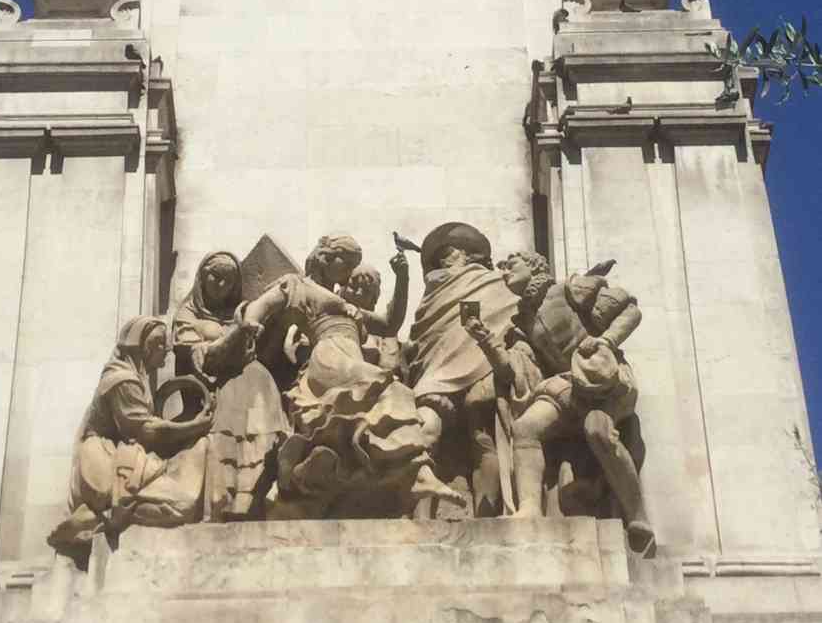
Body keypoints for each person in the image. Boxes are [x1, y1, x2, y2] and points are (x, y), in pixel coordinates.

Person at [244, 233, 464, 517]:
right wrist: (250, 323)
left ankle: (416, 471)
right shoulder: (299, 285)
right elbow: (261, 305)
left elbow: (389, 323)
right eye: (346, 262)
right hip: (330, 356)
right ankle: (417, 473)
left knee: (392, 395)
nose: (349, 271)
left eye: (353, 264)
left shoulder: (343, 301)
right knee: (390, 389)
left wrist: (402, 276)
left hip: (351, 358)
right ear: (325, 256)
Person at [464, 252, 654, 555]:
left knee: (598, 432)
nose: (503, 273)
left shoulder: (570, 289)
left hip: (605, 381)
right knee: (526, 428)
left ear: (535, 265)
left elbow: (630, 311)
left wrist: (606, 340)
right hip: (569, 383)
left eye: (510, 265)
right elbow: (512, 368)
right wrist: (485, 339)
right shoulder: (522, 320)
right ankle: (529, 509)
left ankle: (637, 516)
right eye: (501, 268)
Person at [48, 317, 212, 555]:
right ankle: (101, 517)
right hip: (104, 460)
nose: (167, 352)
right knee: (183, 505)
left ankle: (103, 514)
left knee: (184, 497)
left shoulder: (135, 377)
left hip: (124, 455)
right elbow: (144, 430)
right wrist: (195, 426)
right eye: (161, 346)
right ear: (146, 346)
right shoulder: (122, 380)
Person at [404, 222, 519, 517]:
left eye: (449, 253)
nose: (443, 260)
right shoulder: (431, 297)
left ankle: (485, 517)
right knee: (424, 431)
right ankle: (419, 523)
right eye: (439, 255)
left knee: (482, 436)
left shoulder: (495, 283)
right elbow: (422, 339)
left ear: (468, 254)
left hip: (483, 366)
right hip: (436, 373)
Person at [172, 250, 289, 521]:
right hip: (216, 387)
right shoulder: (187, 318)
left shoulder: (242, 311)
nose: (220, 285)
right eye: (214, 276)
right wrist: (238, 331)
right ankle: (226, 499)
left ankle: (257, 494)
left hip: (257, 382)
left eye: (228, 280)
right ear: (201, 277)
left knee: (262, 433)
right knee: (228, 433)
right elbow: (205, 361)